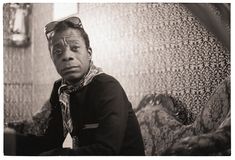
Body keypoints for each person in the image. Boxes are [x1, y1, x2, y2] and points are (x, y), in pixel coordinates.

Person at [4, 15, 145, 156]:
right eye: (58, 52)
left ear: (89, 53)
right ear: (52, 59)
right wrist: (9, 140)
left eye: (75, 48)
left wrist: (51, 156)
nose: (67, 56)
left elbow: (107, 151)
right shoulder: (61, 89)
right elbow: (51, 142)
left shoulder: (108, 87)